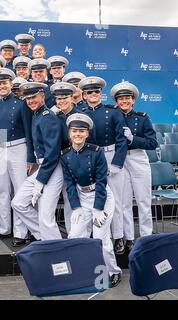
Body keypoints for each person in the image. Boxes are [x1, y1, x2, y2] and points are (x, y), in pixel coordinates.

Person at [60, 113, 122, 287]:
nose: (78, 134)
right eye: (74, 131)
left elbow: (102, 182)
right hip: (82, 197)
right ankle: (81, 270)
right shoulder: (65, 156)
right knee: (74, 235)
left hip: (101, 198)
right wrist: (76, 207)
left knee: (101, 238)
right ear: (69, 133)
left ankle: (113, 271)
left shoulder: (96, 152)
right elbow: (70, 184)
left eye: (81, 131)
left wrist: (98, 208)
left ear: (87, 134)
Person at [79, 76, 128, 255]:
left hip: (110, 155)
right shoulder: (80, 112)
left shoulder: (113, 112)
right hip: (89, 157)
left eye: (97, 92)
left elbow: (122, 141)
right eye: (89, 92)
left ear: (101, 93)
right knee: (93, 198)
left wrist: (116, 164)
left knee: (117, 201)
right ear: (83, 95)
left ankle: (118, 237)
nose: (93, 94)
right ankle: (96, 235)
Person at [0, 68, 35, 246]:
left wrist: (30, 157)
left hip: (18, 149)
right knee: (2, 191)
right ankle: (4, 228)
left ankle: (21, 232)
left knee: (19, 191)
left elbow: (29, 131)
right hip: (0, 150)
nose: (2, 86)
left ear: (11, 83)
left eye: (4, 83)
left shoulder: (22, 104)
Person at [12, 82, 62, 241]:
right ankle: (43, 237)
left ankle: (55, 249)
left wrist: (40, 181)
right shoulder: (37, 115)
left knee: (46, 216)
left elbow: (52, 154)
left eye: (34, 97)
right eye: (28, 99)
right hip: (43, 167)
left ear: (42, 96)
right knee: (18, 203)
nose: (31, 101)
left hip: (53, 168)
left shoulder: (47, 117)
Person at [110, 81, 157, 251]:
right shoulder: (112, 115)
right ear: (116, 101)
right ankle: (128, 237)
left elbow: (153, 143)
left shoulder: (142, 117)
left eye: (127, 98)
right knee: (123, 202)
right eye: (121, 98)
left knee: (144, 201)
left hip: (137, 158)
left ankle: (146, 237)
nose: (124, 101)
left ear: (133, 100)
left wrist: (133, 139)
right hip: (120, 159)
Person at [51, 82, 82, 234]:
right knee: (67, 195)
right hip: (61, 161)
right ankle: (71, 232)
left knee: (77, 198)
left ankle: (77, 233)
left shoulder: (81, 115)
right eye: (58, 99)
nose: (61, 101)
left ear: (72, 98)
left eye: (65, 98)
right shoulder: (56, 117)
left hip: (78, 161)